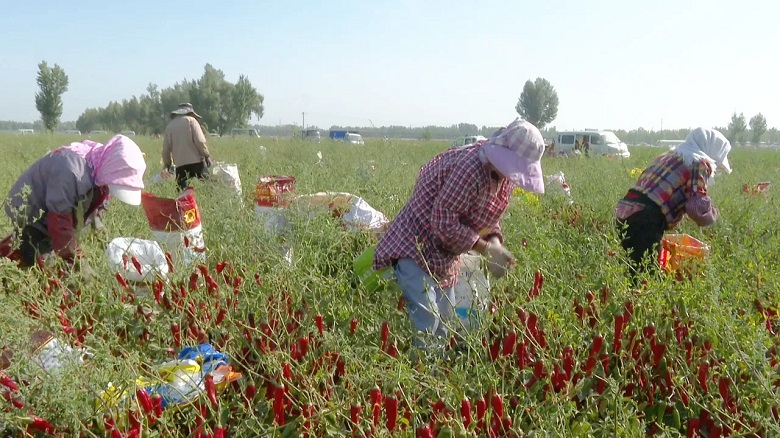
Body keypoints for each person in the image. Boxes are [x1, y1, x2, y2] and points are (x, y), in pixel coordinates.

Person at [373, 118, 546, 352]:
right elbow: (443, 222)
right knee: (428, 321)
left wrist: (495, 243)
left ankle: (435, 367)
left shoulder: (504, 178)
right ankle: (422, 369)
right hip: (416, 245)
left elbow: (488, 217)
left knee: (446, 321)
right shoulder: (470, 168)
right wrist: (485, 249)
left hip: (447, 255)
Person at [1, 134, 147, 274]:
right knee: (44, 265)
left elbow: (97, 210)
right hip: (31, 209)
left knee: (58, 256)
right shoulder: (71, 171)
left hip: (56, 211)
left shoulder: (102, 166)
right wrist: (78, 262)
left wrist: (105, 244)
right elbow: (59, 223)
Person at [615, 127, 732, 279]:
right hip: (646, 218)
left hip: (625, 211)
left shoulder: (669, 155)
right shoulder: (699, 162)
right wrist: (713, 215)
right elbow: (696, 208)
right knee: (646, 277)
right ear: (712, 150)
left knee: (633, 269)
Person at [162, 103, 213, 191]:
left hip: (180, 165)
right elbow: (200, 141)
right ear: (190, 112)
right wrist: (207, 155)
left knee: (181, 192)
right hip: (197, 162)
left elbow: (166, 150)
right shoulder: (191, 121)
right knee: (207, 187)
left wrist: (167, 164)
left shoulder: (169, 126)